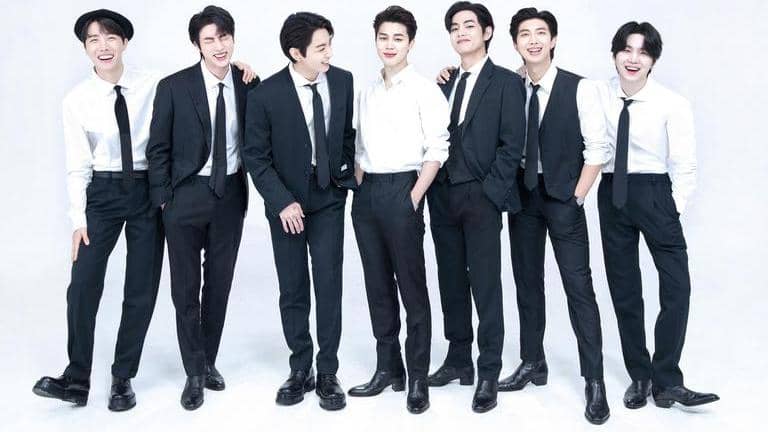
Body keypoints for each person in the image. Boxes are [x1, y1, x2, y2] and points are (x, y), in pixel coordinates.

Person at [32, 9, 164, 412]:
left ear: (124, 42)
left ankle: (123, 377)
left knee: (140, 288)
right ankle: (76, 378)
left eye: (110, 38)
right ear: (86, 48)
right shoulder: (76, 100)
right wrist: (78, 220)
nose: (102, 46)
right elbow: (78, 165)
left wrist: (238, 69)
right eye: (93, 40)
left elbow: (197, 87)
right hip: (102, 194)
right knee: (83, 285)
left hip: (147, 190)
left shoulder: (154, 85)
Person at [596, 21, 719, 410]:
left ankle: (667, 379)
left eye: (643, 52)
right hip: (612, 192)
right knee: (625, 290)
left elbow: (685, 162)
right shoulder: (596, 93)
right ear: (615, 54)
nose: (633, 59)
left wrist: (672, 207)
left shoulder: (671, 103)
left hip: (655, 193)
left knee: (677, 286)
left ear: (653, 60)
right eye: (626, 50)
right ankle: (640, 375)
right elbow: (549, 81)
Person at [498, 7, 611, 425]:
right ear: (515, 43)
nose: (533, 40)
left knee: (579, 288)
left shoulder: (581, 88)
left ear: (554, 39)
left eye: (540, 33)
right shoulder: (511, 85)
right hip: (523, 196)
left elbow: (598, 149)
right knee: (527, 283)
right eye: (524, 34)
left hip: (564, 197)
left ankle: (595, 379)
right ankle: (533, 362)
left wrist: (577, 196)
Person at [146, 5, 258, 410]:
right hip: (185, 197)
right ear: (197, 44)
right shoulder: (174, 86)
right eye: (209, 39)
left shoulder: (248, 84)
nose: (219, 46)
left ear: (233, 39)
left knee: (220, 284)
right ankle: (194, 372)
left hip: (230, 195)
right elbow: (157, 148)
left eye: (224, 37)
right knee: (185, 288)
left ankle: (207, 360)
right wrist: (164, 198)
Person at [242, 11, 356, 411]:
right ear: (296, 53)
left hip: (328, 199)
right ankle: (300, 368)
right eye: (321, 48)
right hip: (286, 204)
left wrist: (342, 179)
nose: (329, 54)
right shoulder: (265, 95)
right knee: (293, 288)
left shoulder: (342, 81)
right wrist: (282, 202)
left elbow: (345, 135)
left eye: (330, 45)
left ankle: (327, 371)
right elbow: (255, 157)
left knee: (328, 284)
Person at [346, 6, 449, 414]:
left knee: (411, 286)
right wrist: (360, 186)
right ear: (375, 40)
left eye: (398, 38)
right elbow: (359, 148)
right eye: (383, 37)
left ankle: (417, 375)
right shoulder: (367, 91)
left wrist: (413, 197)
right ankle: (388, 367)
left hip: (403, 189)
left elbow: (437, 148)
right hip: (367, 193)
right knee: (377, 285)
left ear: (411, 42)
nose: (389, 45)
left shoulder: (424, 89)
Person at [427, 1, 526, 413]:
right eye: (454, 27)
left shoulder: (506, 82)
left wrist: (490, 193)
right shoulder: (444, 82)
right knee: (450, 279)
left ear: (486, 32)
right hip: (442, 194)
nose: (461, 32)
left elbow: (512, 144)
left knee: (485, 284)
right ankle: (458, 359)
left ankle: (488, 369)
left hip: (481, 197)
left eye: (469, 25)